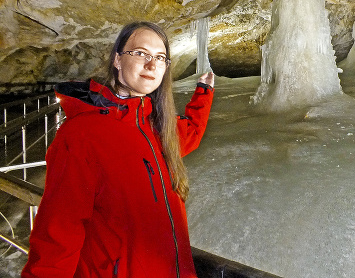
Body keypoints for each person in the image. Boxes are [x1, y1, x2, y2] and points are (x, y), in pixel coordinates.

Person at [22, 21, 214, 278]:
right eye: (141, 53)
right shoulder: (82, 135)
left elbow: (191, 132)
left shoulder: (156, 128)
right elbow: (58, 236)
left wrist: (204, 91)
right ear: (117, 60)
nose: (152, 64)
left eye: (160, 57)